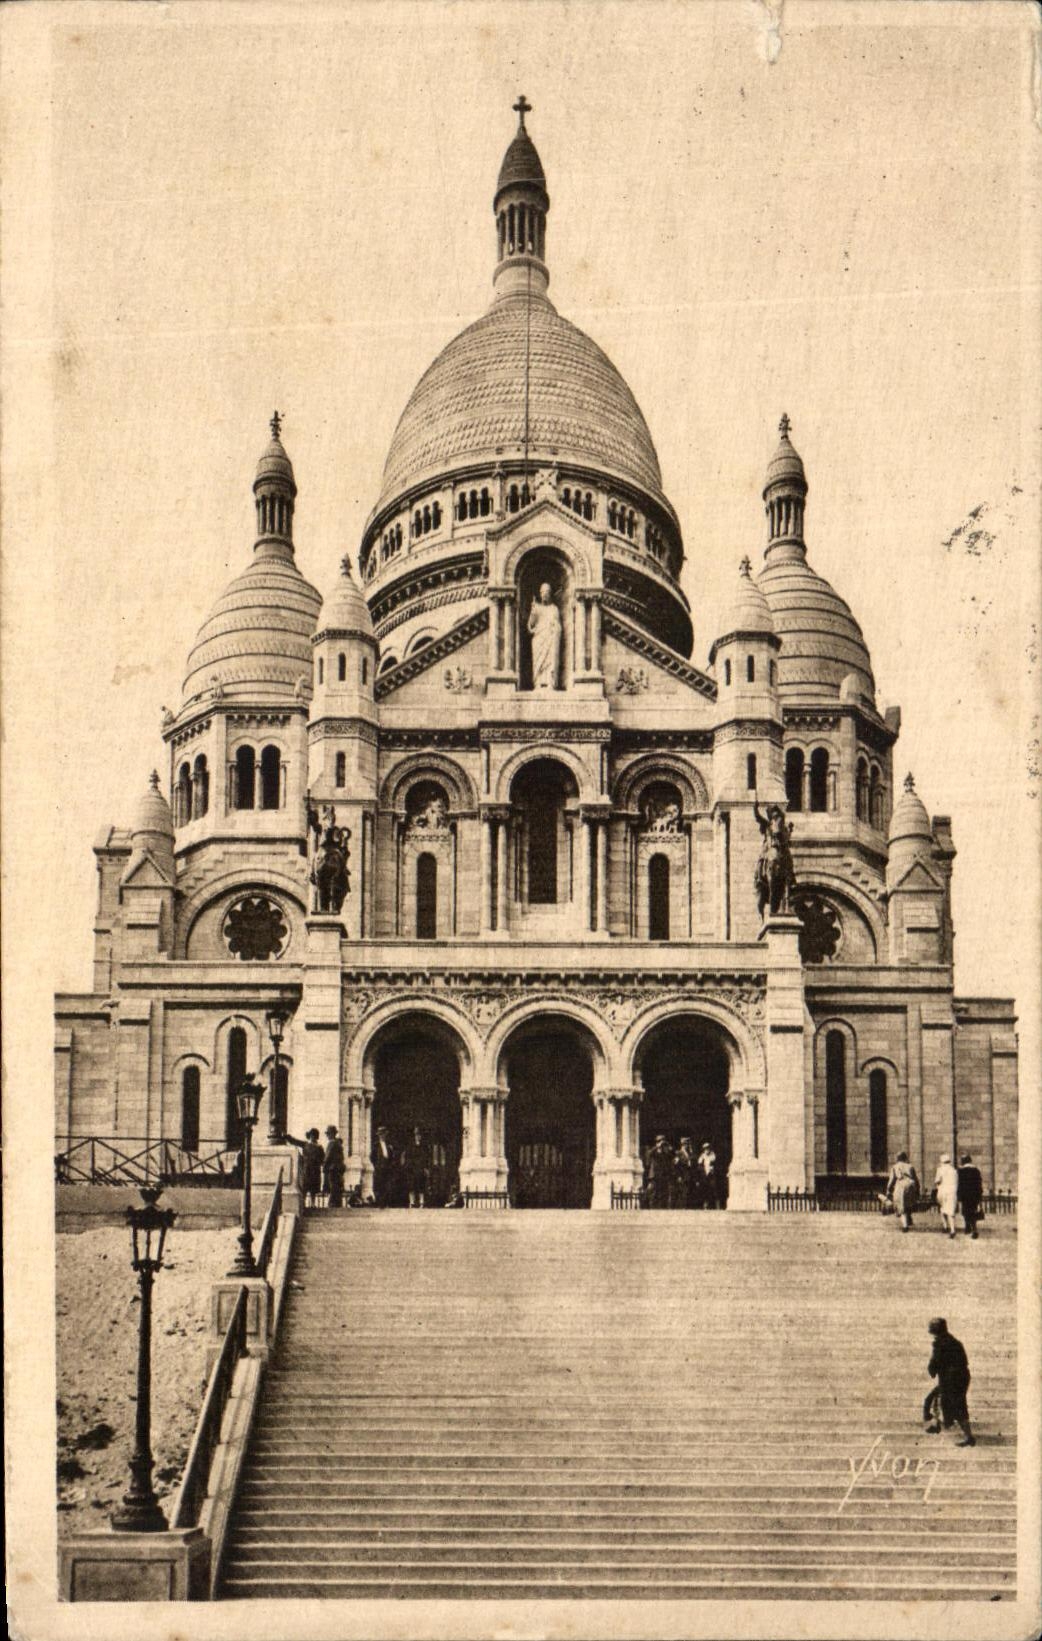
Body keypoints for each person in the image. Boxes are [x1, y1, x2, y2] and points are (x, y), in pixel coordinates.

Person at [923, 1317, 975, 1446]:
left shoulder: (940, 1344)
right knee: (937, 1399)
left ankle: (968, 1437)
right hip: (960, 1378)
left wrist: (932, 1370)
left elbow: (934, 1363)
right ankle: (936, 1424)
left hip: (951, 1381)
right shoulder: (954, 1342)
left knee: (955, 1406)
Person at [528, 582, 561, 689]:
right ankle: (537, 682)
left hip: (551, 638)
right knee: (538, 661)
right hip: (539, 638)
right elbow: (530, 625)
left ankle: (550, 682)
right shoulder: (537, 608)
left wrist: (555, 628)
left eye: (547, 592)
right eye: (543, 592)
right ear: (540, 594)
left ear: (550, 594)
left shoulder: (554, 609)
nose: (545, 594)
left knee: (550, 661)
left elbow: (558, 625)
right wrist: (533, 612)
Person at [282, 1126, 324, 1207]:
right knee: (305, 1187)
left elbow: (322, 1159)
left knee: (313, 1188)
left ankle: (312, 1203)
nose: (313, 1137)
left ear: (316, 1137)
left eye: (314, 1136)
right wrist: (287, 1137)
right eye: (312, 1135)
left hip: (315, 1170)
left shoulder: (319, 1147)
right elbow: (295, 1141)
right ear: (310, 1136)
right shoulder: (305, 1144)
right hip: (307, 1169)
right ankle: (303, 1203)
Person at [885, 1151, 920, 1231]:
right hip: (911, 1185)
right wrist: (917, 1189)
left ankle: (905, 1226)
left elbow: (892, 1179)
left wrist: (888, 1189)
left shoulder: (895, 1167)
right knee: (908, 1203)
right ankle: (908, 1218)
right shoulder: (910, 1166)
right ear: (905, 1158)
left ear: (897, 1159)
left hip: (901, 1185)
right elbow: (915, 1178)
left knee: (901, 1204)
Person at [401, 1126, 430, 1209]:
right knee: (411, 1186)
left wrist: (426, 1168)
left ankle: (421, 1202)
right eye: (416, 1135)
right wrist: (408, 1166)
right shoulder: (410, 1146)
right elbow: (407, 1156)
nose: (418, 1137)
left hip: (421, 1168)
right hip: (412, 1169)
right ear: (414, 1136)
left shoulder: (424, 1146)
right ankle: (412, 1202)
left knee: (421, 1185)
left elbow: (427, 1158)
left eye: (419, 1135)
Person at [957, 1153, 984, 1239]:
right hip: (974, 1195)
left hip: (965, 1195)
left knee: (966, 1211)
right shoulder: (976, 1170)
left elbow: (959, 1184)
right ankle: (969, 1227)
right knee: (972, 1211)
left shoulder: (961, 1171)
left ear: (963, 1162)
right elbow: (979, 1183)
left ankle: (973, 1229)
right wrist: (979, 1194)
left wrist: (959, 1195)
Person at [933, 1153, 960, 1239]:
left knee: (942, 1208)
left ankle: (945, 1226)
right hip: (952, 1192)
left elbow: (937, 1180)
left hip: (942, 1191)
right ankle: (952, 1229)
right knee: (950, 1211)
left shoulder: (940, 1169)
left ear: (942, 1161)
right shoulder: (954, 1171)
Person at [645, 1135, 674, 1209]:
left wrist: (669, 1148)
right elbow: (649, 1155)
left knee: (664, 1193)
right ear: (657, 1142)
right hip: (655, 1176)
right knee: (654, 1193)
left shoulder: (666, 1152)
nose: (662, 1145)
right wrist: (657, 1147)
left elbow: (672, 1157)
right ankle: (653, 1208)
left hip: (664, 1176)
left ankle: (663, 1209)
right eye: (660, 1142)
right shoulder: (653, 1151)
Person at [372, 1124, 398, 1207]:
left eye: (384, 1134)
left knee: (387, 1186)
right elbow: (372, 1157)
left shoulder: (389, 1146)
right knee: (379, 1185)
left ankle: (385, 1202)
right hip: (379, 1168)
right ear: (379, 1135)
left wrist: (390, 1165)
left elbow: (392, 1157)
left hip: (387, 1169)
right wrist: (377, 1165)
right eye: (381, 1134)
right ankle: (380, 1203)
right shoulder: (376, 1145)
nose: (382, 1136)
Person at [322, 1125, 346, 1209]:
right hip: (338, 1168)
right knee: (337, 1186)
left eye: (328, 1134)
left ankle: (332, 1204)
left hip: (332, 1168)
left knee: (332, 1186)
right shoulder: (338, 1144)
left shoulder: (331, 1143)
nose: (327, 1136)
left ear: (332, 1134)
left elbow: (327, 1156)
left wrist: (324, 1166)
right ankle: (337, 1203)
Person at [673, 1136, 696, 1209]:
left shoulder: (690, 1153)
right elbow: (676, 1166)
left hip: (690, 1176)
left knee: (689, 1192)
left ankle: (688, 1208)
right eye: (686, 1144)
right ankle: (682, 1208)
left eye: (688, 1144)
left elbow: (693, 1163)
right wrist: (678, 1176)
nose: (687, 1146)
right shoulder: (678, 1153)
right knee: (683, 1193)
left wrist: (691, 1152)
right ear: (682, 1144)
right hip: (682, 1176)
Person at [697, 1141, 720, 1209]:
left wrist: (713, 1168)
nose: (707, 1150)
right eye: (705, 1149)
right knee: (705, 1191)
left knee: (714, 1190)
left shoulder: (713, 1155)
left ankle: (717, 1206)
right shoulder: (702, 1156)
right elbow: (699, 1167)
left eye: (708, 1148)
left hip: (712, 1176)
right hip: (705, 1176)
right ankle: (705, 1206)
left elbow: (717, 1165)